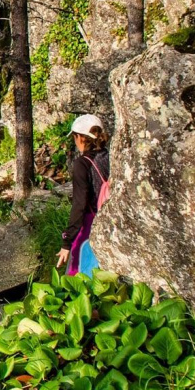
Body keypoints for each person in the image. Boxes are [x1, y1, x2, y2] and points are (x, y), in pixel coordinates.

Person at [55, 114, 110, 276]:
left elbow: (79, 204)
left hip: (90, 224)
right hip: (109, 218)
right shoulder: (108, 155)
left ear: (80, 138)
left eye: (74, 137)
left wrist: (67, 242)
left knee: (79, 271)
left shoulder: (82, 164)